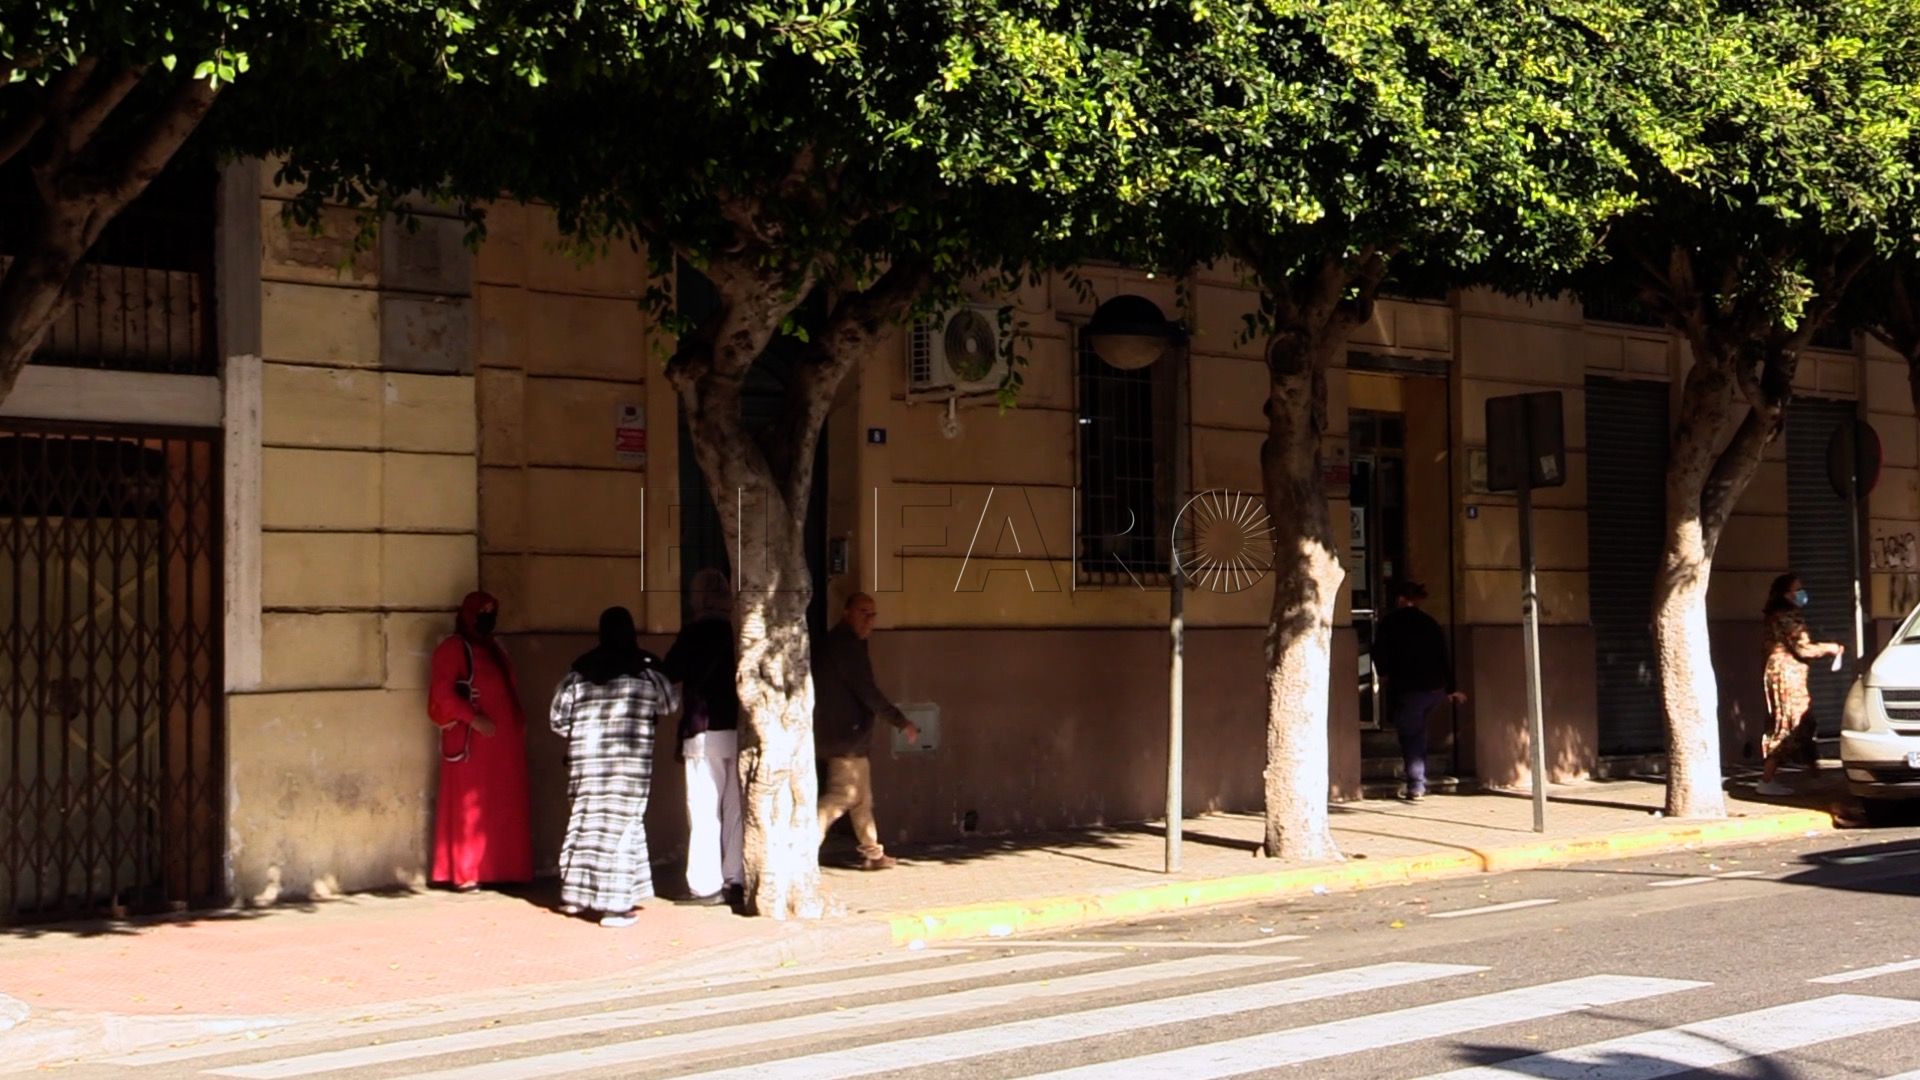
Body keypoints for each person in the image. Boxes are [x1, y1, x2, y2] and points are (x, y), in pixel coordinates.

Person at [550, 606, 679, 927]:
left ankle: (575, 897)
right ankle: (616, 906)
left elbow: (557, 720)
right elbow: (669, 704)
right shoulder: (647, 673)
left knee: (584, 823)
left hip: (585, 765)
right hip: (628, 767)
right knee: (623, 829)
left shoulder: (578, 674)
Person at [427, 591, 533, 890]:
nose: (489, 616)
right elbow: (442, 693)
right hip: (473, 742)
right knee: (468, 806)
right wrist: (473, 718)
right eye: (483, 611)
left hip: (503, 745)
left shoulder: (495, 648)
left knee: (505, 807)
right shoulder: (454, 647)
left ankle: (505, 870)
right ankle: (465, 871)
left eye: (492, 610)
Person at [813, 593, 919, 870]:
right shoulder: (845, 645)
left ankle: (873, 854)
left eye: (873, 614)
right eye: (863, 612)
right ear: (846, 611)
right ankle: (802, 847)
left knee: (861, 799)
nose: (869, 620)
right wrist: (900, 721)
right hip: (843, 735)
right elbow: (867, 691)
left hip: (848, 734)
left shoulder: (847, 643)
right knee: (842, 795)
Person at [664, 569, 744, 908]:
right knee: (736, 808)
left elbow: (670, 673)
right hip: (739, 730)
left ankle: (705, 884)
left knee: (704, 808)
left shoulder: (693, 634)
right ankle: (736, 878)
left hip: (703, 730)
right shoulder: (738, 633)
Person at [1370, 580, 1466, 802]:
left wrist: (1384, 674)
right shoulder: (1430, 623)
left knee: (1411, 736)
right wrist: (1450, 688)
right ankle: (1418, 780)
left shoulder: (1390, 623)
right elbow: (1444, 656)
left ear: (1401, 599)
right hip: (1434, 690)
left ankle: (1416, 784)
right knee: (1418, 732)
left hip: (1409, 689)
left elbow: (1378, 652)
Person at [1758, 573, 1844, 796]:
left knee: (1805, 723)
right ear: (1787, 594)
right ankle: (1766, 779)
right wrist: (1830, 648)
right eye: (1798, 589)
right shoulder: (1787, 616)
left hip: (1787, 672)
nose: (1802, 593)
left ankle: (1814, 774)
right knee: (1789, 724)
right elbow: (1802, 648)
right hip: (1787, 674)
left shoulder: (1778, 615)